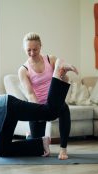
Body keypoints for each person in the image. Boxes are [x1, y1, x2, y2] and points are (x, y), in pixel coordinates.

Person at [18, 32, 75, 160]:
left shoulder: (51, 59)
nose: (32, 53)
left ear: (41, 46)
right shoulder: (23, 70)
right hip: (37, 106)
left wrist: (63, 73)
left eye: (35, 49)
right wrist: (41, 111)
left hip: (54, 103)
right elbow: (30, 94)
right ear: (24, 49)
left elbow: (65, 81)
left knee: (64, 109)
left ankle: (63, 149)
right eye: (29, 50)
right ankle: (30, 138)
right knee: (38, 152)